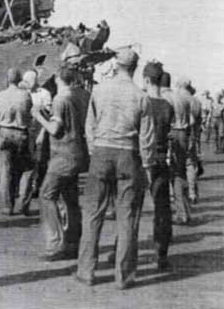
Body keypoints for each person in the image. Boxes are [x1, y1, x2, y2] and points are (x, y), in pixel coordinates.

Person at [76, 48, 155, 289]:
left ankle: (87, 271)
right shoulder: (141, 96)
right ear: (135, 67)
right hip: (128, 154)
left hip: (101, 151)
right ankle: (124, 276)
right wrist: (148, 166)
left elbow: (89, 125)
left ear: (116, 65)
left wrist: (94, 150)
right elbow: (147, 138)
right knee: (127, 217)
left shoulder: (99, 90)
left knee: (93, 213)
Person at [33, 66, 87, 261]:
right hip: (78, 152)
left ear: (58, 78)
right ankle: (74, 242)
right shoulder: (82, 95)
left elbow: (55, 129)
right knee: (70, 198)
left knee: (47, 194)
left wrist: (38, 116)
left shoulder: (60, 98)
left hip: (62, 155)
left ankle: (55, 244)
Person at [141, 62, 174, 270]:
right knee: (162, 207)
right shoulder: (167, 106)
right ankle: (161, 253)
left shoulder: (141, 101)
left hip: (142, 157)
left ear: (146, 80)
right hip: (161, 158)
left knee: (132, 204)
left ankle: (123, 249)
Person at [0, 68, 34, 216]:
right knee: (26, 169)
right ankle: (23, 203)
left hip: (4, 132)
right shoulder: (25, 95)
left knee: (5, 170)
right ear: (19, 80)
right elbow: (29, 114)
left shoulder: (0, 96)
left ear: (7, 79)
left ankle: (7, 205)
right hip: (21, 132)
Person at [21, 69, 52, 212]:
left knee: (40, 162)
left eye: (30, 81)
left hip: (40, 131)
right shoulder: (22, 93)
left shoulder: (44, 93)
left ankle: (38, 188)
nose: (28, 84)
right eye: (26, 81)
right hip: (26, 131)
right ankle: (26, 194)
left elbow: (48, 115)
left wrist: (43, 133)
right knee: (28, 164)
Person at [168, 74, 194, 225]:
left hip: (174, 132)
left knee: (175, 174)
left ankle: (181, 212)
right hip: (184, 133)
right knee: (182, 171)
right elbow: (191, 120)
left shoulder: (171, 97)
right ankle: (186, 209)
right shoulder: (187, 99)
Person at [185, 83, 202, 204]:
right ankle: (192, 192)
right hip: (193, 135)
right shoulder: (196, 102)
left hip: (182, 133)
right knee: (191, 165)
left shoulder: (179, 99)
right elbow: (199, 121)